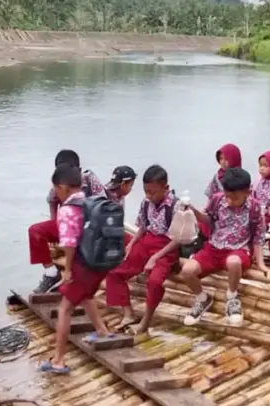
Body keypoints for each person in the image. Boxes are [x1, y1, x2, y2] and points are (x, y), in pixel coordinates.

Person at [38, 163, 114, 375]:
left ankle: (58, 361)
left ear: (62, 187)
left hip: (85, 264)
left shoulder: (68, 210)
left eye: (56, 189)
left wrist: (68, 270)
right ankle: (102, 330)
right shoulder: (92, 201)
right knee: (85, 294)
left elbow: (70, 245)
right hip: (103, 263)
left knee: (65, 308)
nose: (56, 194)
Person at [180, 168, 268, 326]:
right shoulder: (217, 200)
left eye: (235, 198)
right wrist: (193, 211)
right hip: (213, 248)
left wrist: (261, 263)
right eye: (227, 196)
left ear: (248, 192)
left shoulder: (254, 208)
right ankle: (202, 298)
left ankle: (232, 297)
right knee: (187, 271)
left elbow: (258, 237)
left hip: (239, 249)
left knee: (234, 262)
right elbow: (208, 220)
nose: (230, 201)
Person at [105, 165, 180, 335]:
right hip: (147, 242)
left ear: (165, 188)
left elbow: (178, 239)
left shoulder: (176, 206)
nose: (149, 196)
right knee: (115, 271)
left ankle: (145, 322)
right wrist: (131, 244)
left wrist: (155, 258)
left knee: (154, 282)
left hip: (167, 248)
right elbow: (143, 227)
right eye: (146, 192)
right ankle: (128, 313)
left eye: (153, 192)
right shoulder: (146, 203)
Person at [29, 149, 106, 293]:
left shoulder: (89, 179)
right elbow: (52, 201)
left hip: (89, 227)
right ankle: (51, 273)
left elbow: (103, 204)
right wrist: (55, 225)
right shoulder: (59, 182)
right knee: (35, 231)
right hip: (68, 224)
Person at [202, 143, 243, 238]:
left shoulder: (241, 177)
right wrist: (208, 209)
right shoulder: (217, 176)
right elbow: (211, 195)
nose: (223, 162)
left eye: (226, 159)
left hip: (235, 209)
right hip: (217, 207)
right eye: (221, 159)